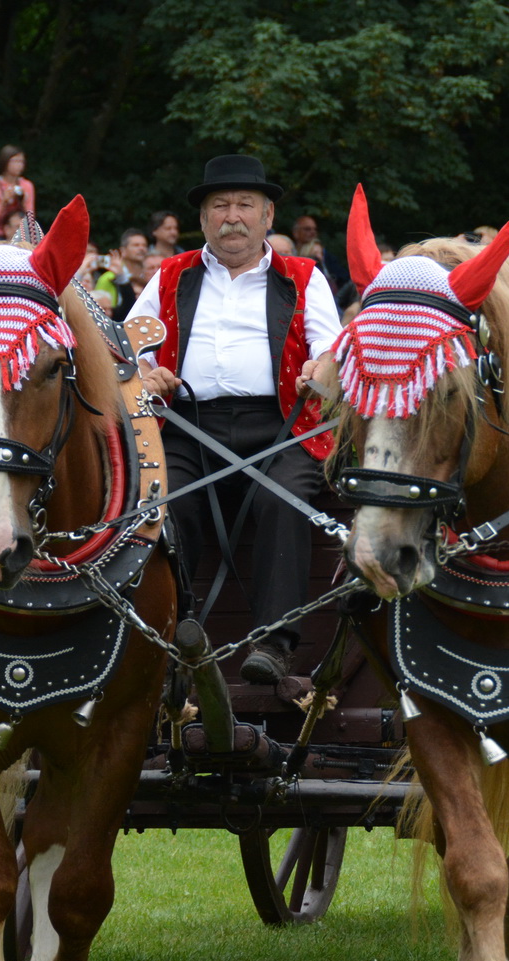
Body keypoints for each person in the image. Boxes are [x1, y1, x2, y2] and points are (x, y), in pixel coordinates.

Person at [128, 156, 341, 684]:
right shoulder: (170, 276)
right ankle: (173, 641)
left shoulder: (304, 277)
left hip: (284, 425)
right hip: (188, 426)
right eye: (219, 205)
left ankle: (275, 642)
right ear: (202, 220)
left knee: (282, 501)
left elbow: (336, 348)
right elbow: (125, 347)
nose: (233, 216)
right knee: (166, 502)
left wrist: (322, 366)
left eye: (246, 205)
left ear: (268, 216)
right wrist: (144, 371)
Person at [0, 146, 36, 239]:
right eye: (15, 161)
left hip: (22, 234)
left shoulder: (27, 185)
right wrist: (4, 202)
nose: (20, 165)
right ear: (5, 162)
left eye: (22, 161)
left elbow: (31, 219)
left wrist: (23, 200)